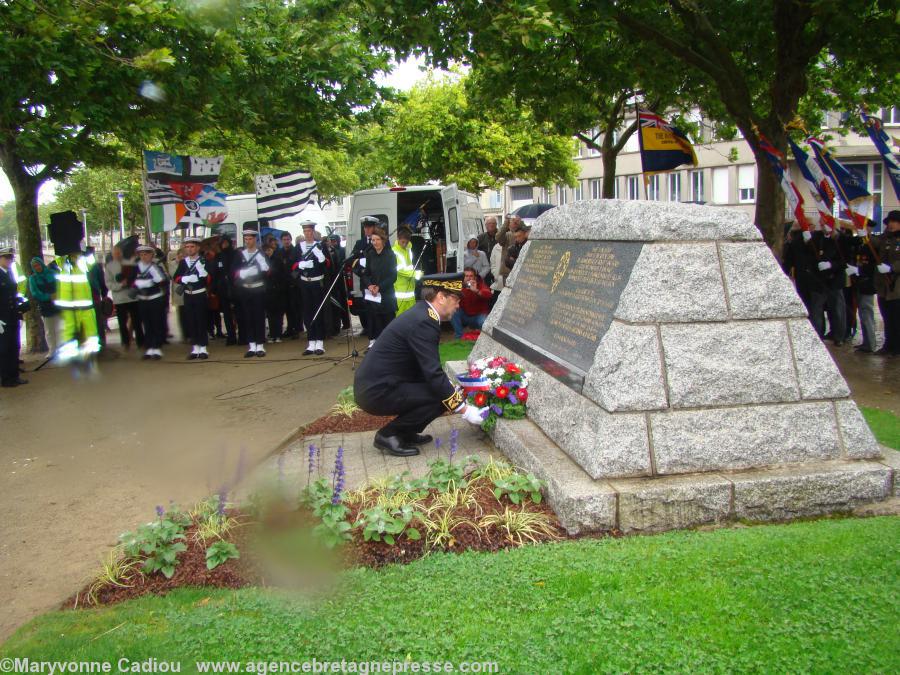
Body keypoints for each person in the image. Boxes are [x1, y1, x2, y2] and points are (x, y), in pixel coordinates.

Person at [354, 273, 488, 457]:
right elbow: (432, 373)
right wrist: (464, 410)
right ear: (441, 297)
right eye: (456, 299)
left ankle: (405, 432)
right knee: (440, 396)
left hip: (382, 384)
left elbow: (423, 367)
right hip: (376, 390)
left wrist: (451, 390)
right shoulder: (425, 321)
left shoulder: (423, 313)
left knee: (444, 392)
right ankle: (388, 435)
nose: (459, 305)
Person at [293, 220, 328, 355]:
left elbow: (327, 265)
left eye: (309, 231)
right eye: (305, 231)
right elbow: (293, 264)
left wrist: (321, 258)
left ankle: (320, 342)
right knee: (307, 312)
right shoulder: (299, 247)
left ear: (313, 232)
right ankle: (311, 342)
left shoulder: (319, 246)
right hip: (304, 283)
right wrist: (300, 265)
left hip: (316, 282)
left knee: (318, 311)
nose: (307, 234)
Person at [359, 226, 397, 349]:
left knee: (388, 321)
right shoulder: (370, 254)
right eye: (373, 240)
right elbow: (366, 273)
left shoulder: (390, 255)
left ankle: (389, 346)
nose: (375, 242)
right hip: (373, 294)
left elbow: (393, 276)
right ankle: (374, 345)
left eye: (377, 240)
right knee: (374, 319)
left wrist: (379, 287)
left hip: (386, 294)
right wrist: (369, 285)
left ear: (383, 240)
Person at [173, 236, 211, 360]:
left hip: (200, 294)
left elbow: (209, 279)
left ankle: (203, 348)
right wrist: (184, 279)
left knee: (201, 321)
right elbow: (176, 277)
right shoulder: (184, 262)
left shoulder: (203, 261)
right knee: (191, 321)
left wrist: (203, 274)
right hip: (188, 295)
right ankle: (195, 348)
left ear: (198, 247)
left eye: (192, 246)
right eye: (187, 247)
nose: (189, 249)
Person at [234, 228, 270, 357]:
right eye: (246, 239)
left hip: (258, 288)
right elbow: (234, 271)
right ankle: (252, 345)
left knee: (259, 317)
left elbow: (268, 271)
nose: (248, 241)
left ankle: (260, 344)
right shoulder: (240, 254)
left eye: (250, 239)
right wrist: (243, 273)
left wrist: (260, 269)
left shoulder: (260, 254)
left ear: (255, 239)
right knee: (248, 317)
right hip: (246, 289)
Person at [104, 244, 143, 351]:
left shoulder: (130, 264)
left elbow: (138, 276)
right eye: (115, 253)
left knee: (137, 320)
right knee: (122, 322)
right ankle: (125, 342)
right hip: (119, 298)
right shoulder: (109, 266)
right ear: (112, 255)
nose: (118, 255)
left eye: (119, 253)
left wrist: (132, 283)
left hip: (132, 297)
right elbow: (108, 283)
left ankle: (141, 341)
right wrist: (121, 285)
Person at [0, 247, 29, 387]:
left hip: (12, 315)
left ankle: (14, 375)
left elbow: (13, 293)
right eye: (6, 258)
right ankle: (5, 378)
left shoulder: (10, 273)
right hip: (2, 317)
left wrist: (20, 305)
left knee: (14, 346)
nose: (10, 261)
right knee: (4, 349)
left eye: (11, 258)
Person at [134, 244, 167, 360]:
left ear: (151, 255)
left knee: (156, 323)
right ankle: (149, 347)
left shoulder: (154, 267)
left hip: (154, 299)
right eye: (141, 255)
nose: (143, 257)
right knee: (146, 324)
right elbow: (131, 281)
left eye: (146, 254)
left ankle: (157, 347)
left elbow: (162, 280)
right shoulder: (136, 267)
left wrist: (151, 281)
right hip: (143, 299)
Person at [874, 210, 900, 355]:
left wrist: (892, 267)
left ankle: (897, 347)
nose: (890, 224)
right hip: (884, 286)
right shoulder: (886, 238)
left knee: (897, 318)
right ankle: (888, 345)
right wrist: (863, 234)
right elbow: (875, 243)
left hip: (897, 286)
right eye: (889, 222)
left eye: (893, 221)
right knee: (887, 318)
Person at [351, 216, 380, 336]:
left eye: (369, 227)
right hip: (365, 282)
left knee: (378, 310)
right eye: (365, 227)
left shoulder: (381, 242)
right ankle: (371, 337)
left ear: (374, 228)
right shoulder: (360, 243)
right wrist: (361, 270)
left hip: (378, 281)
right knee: (369, 310)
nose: (367, 230)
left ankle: (380, 335)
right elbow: (352, 262)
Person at [28, 256, 59, 356]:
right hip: (45, 306)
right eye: (34, 266)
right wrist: (49, 297)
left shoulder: (52, 273)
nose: (37, 267)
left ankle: (61, 348)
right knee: (49, 329)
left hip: (58, 304)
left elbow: (60, 285)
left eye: (38, 265)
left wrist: (57, 295)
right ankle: (52, 349)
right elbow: (35, 293)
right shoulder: (33, 279)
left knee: (60, 328)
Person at [451, 267, 492, 338]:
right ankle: (459, 337)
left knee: (484, 322)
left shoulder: (480, 284)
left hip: (478, 316)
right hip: (465, 315)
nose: (468, 278)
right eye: (466, 276)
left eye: (471, 276)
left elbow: (489, 295)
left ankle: (483, 339)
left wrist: (476, 291)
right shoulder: (459, 285)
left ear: (475, 277)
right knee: (453, 311)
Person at [214, 236, 238, 345]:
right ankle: (231, 336)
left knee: (239, 312)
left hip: (236, 287)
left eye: (225, 243)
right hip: (223, 289)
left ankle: (243, 335)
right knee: (227, 315)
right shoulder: (218, 256)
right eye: (222, 243)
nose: (224, 245)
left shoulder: (235, 254)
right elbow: (215, 272)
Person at [278, 231, 302, 339]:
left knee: (295, 308)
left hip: (294, 284)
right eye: (284, 240)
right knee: (287, 308)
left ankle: (297, 329)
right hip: (283, 285)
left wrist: (293, 278)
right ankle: (290, 328)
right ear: (281, 241)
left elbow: (298, 266)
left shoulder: (295, 251)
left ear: (290, 240)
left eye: (288, 239)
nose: (286, 241)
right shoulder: (279, 252)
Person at [392, 227, 419, 315]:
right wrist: (415, 274)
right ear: (398, 239)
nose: (404, 244)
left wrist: (414, 273)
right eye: (402, 242)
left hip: (410, 289)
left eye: (406, 242)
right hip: (400, 291)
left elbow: (410, 266)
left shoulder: (408, 250)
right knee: (399, 317)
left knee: (411, 316)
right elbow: (399, 270)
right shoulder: (394, 252)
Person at [264, 242, 286, 343]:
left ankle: (278, 334)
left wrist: (271, 271)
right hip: (267, 290)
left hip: (277, 290)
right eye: (266, 250)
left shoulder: (277, 259)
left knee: (278, 314)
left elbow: (281, 273)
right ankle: (272, 334)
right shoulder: (263, 260)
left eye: (269, 250)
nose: (268, 252)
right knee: (270, 314)